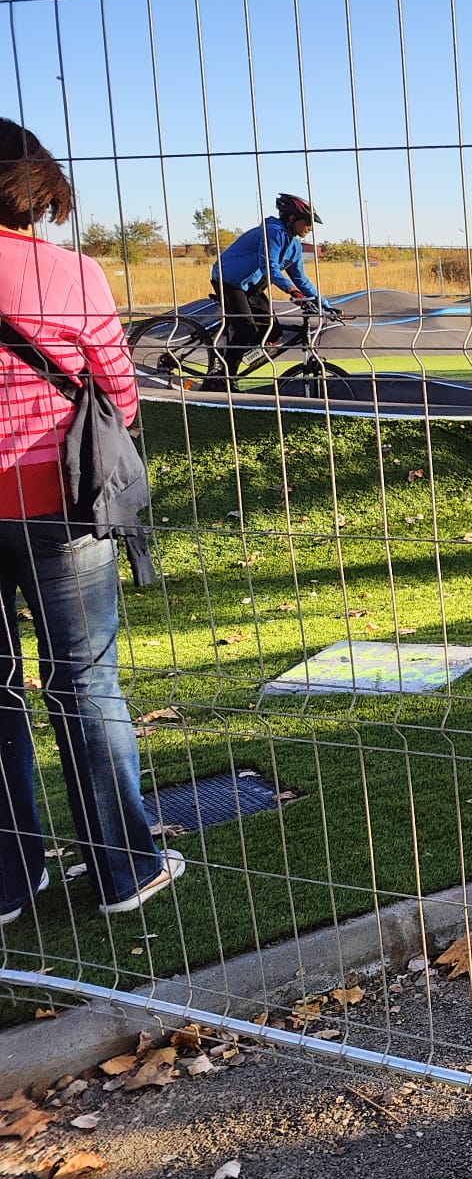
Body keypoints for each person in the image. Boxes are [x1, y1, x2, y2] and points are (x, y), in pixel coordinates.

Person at [0, 118, 182, 923]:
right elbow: (122, 395)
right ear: (37, 189)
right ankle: (123, 866)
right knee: (83, 680)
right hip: (55, 497)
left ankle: (9, 878)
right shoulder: (72, 276)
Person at [204, 193, 324, 390]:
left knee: (273, 330)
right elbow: (270, 267)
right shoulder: (273, 232)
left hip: (251, 286)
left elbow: (301, 279)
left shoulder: (294, 246)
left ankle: (232, 356)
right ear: (292, 218)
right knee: (246, 328)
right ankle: (224, 379)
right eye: (308, 222)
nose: (310, 228)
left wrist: (325, 304)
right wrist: (291, 291)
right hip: (229, 280)